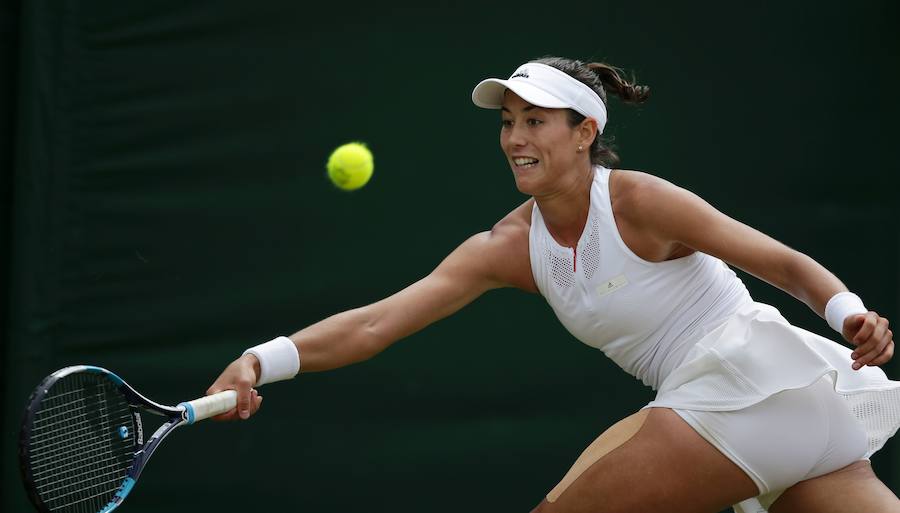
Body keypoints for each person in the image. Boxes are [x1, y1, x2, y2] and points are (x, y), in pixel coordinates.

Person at [207, 56, 900, 512]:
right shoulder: (509, 246)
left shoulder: (637, 202)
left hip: (747, 383)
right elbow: (373, 325)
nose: (514, 137)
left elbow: (778, 262)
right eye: (508, 122)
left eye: (535, 120)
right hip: (756, 405)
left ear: (583, 132)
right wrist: (259, 360)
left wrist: (849, 315)